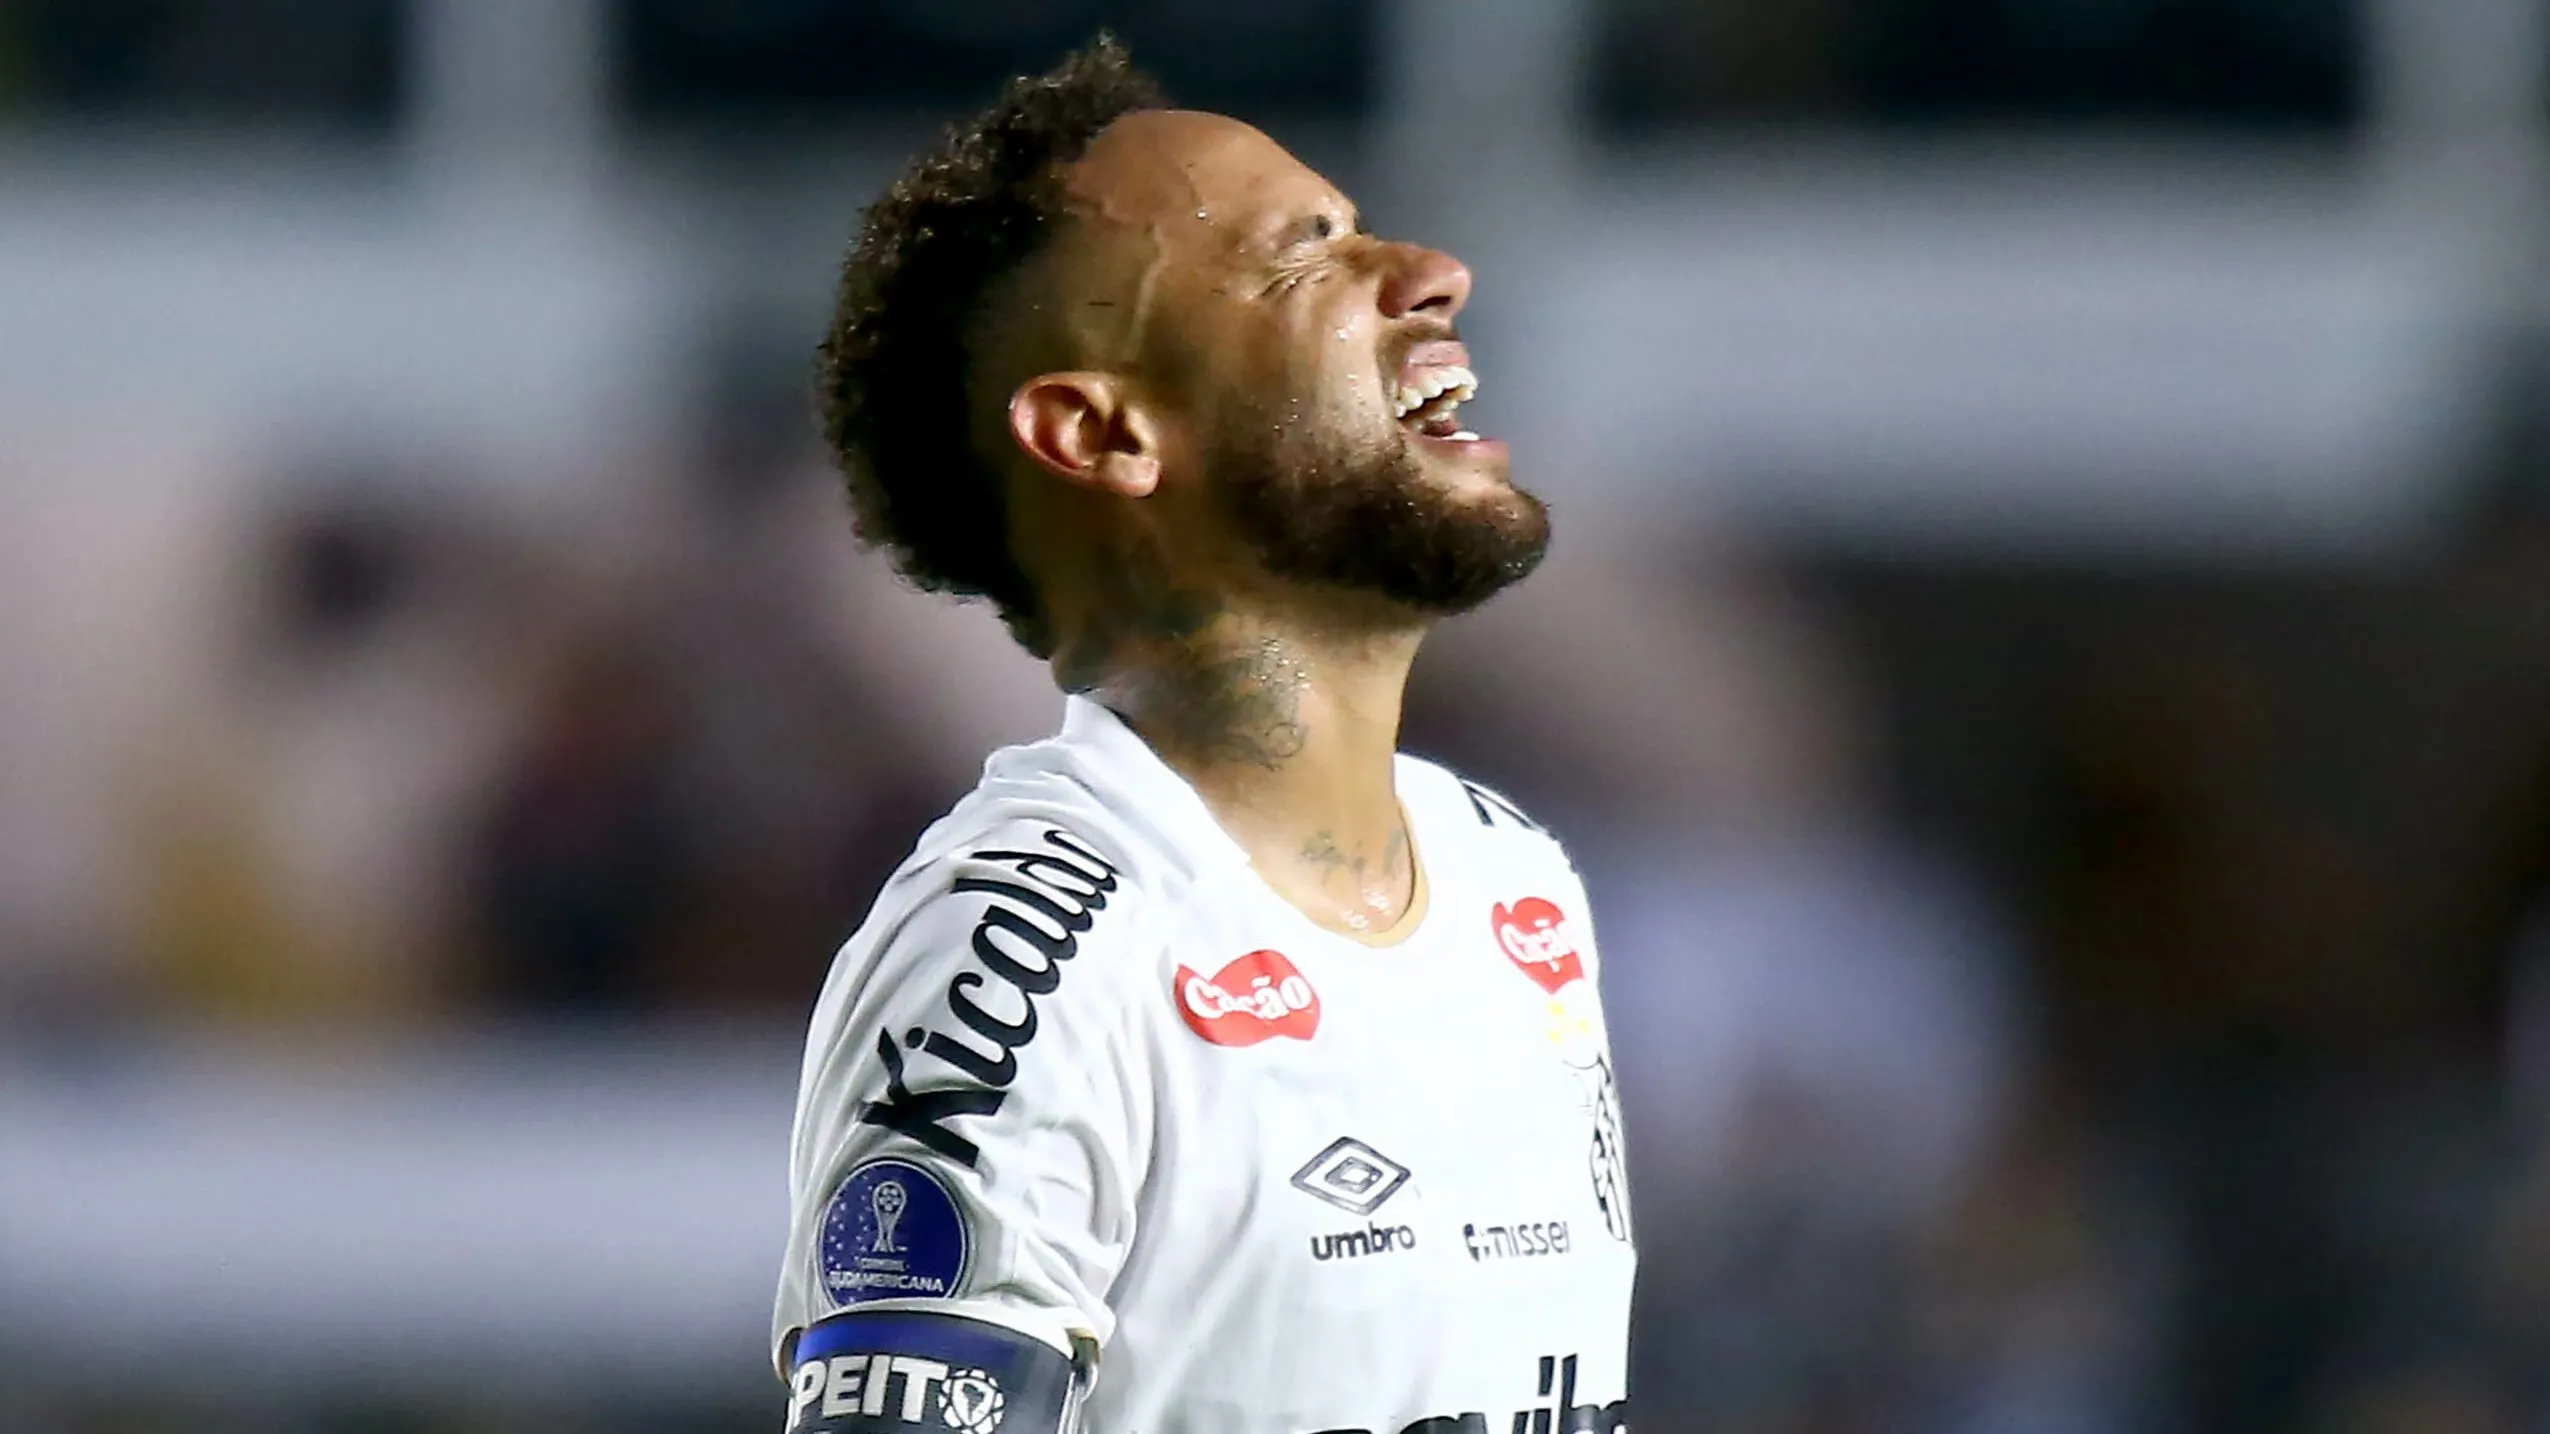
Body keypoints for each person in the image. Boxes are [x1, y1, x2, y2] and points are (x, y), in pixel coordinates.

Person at [771, 38, 1633, 1434]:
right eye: (1305, 260)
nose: (1430, 276)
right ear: (1103, 431)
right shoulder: (1023, 956)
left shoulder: (1512, 884)